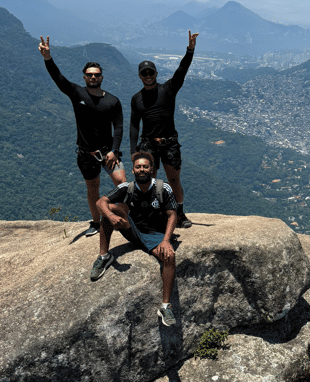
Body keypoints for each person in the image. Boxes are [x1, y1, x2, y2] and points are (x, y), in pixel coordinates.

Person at [39, 35, 126, 236]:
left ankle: (125, 216)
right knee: (92, 189)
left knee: (121, 183)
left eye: (96, 74)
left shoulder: (113, 101)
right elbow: (58, 78)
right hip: (86, 153)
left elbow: (118, 127)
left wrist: (114, 150)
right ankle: (96, 222)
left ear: (102, 77)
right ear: (84, 77)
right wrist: (47, 58)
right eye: (89, 74)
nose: (93, 77)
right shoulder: (77, 93)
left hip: (108, 153)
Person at [90, 151, 179, 326]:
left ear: (152, 169)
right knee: (110, 210)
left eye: (145, 166)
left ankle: (165, 306)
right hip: (134, 230)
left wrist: (166, 240)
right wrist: (110, 215)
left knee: (169, 257)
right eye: (138, 167)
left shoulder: (163, 188)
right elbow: (100, 202)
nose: (142, 169)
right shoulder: (127, 188)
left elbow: (173, 215)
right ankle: (104, 256)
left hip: (156, 236)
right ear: (132, 170)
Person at [130, 30, 198, 228]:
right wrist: (134, 150)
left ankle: (179, 214)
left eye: (151, 72)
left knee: (174, 180)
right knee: (148, 182)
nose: (148, 76)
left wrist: (190, 50)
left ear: (156, 74)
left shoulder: (168, 89)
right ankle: (152, 215)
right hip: (147, 143)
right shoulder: (137, 99)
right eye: (145, 73)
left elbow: (181, 70)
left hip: (169, 142)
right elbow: (134, 124)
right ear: (140, 76)